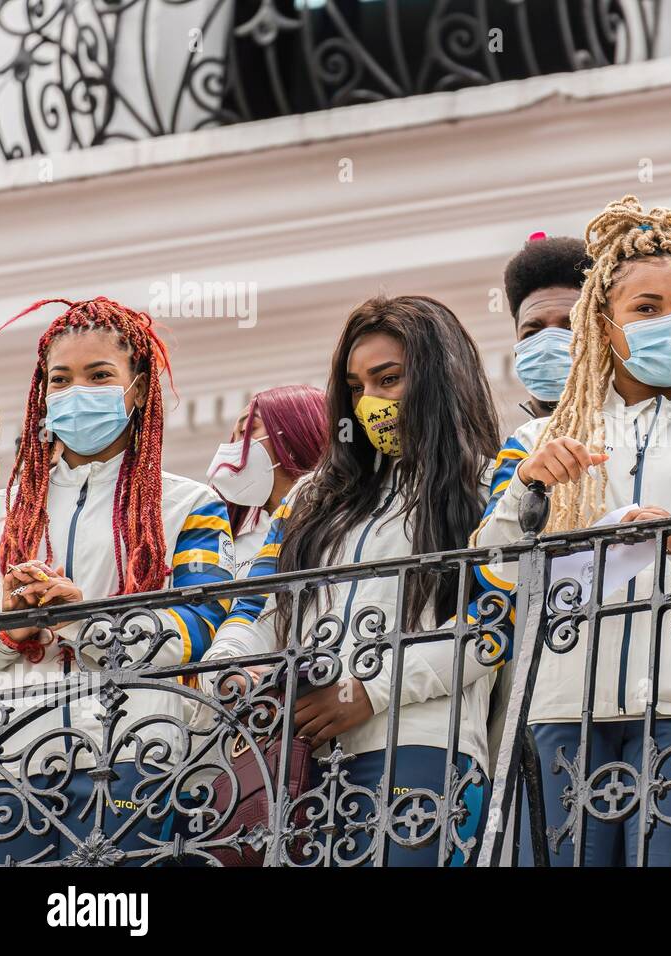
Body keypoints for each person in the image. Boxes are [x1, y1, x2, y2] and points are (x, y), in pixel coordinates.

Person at [473, 196, 671, 867]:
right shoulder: (538, 437)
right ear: (604, 323)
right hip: (564, 711)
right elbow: (494, 571)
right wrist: (531, 486)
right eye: (647, 308)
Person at [203, 294, 502, 866]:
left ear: (440, 379)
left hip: (421, 746)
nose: (371, 403)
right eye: (358, 387)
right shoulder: (314, 496)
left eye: (388, 379)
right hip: (298, 755)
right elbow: (260, 606)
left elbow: (491, 628)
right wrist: (234, 668)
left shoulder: (490, 488)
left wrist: (369, 691)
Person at [0, 297, 234, 865]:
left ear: (140, 389)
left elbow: (198, 633)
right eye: (61, 380)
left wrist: (83, 620)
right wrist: (15, 628)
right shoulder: (6, 512)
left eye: (100, 376)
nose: (77, 392)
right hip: (11, 758)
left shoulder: (191, 506)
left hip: (134, 755)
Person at [205, 384, 328, 578]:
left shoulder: (338, 528)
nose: (235, 447)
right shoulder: (225, 546)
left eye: (246, 431)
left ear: (294, 435)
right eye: (234, 437)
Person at [505, 232, 593, 419]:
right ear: (517, 355)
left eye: (570, 328)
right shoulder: (510, 447)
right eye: (531, 333)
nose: (548, 346)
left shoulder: (649, 440)